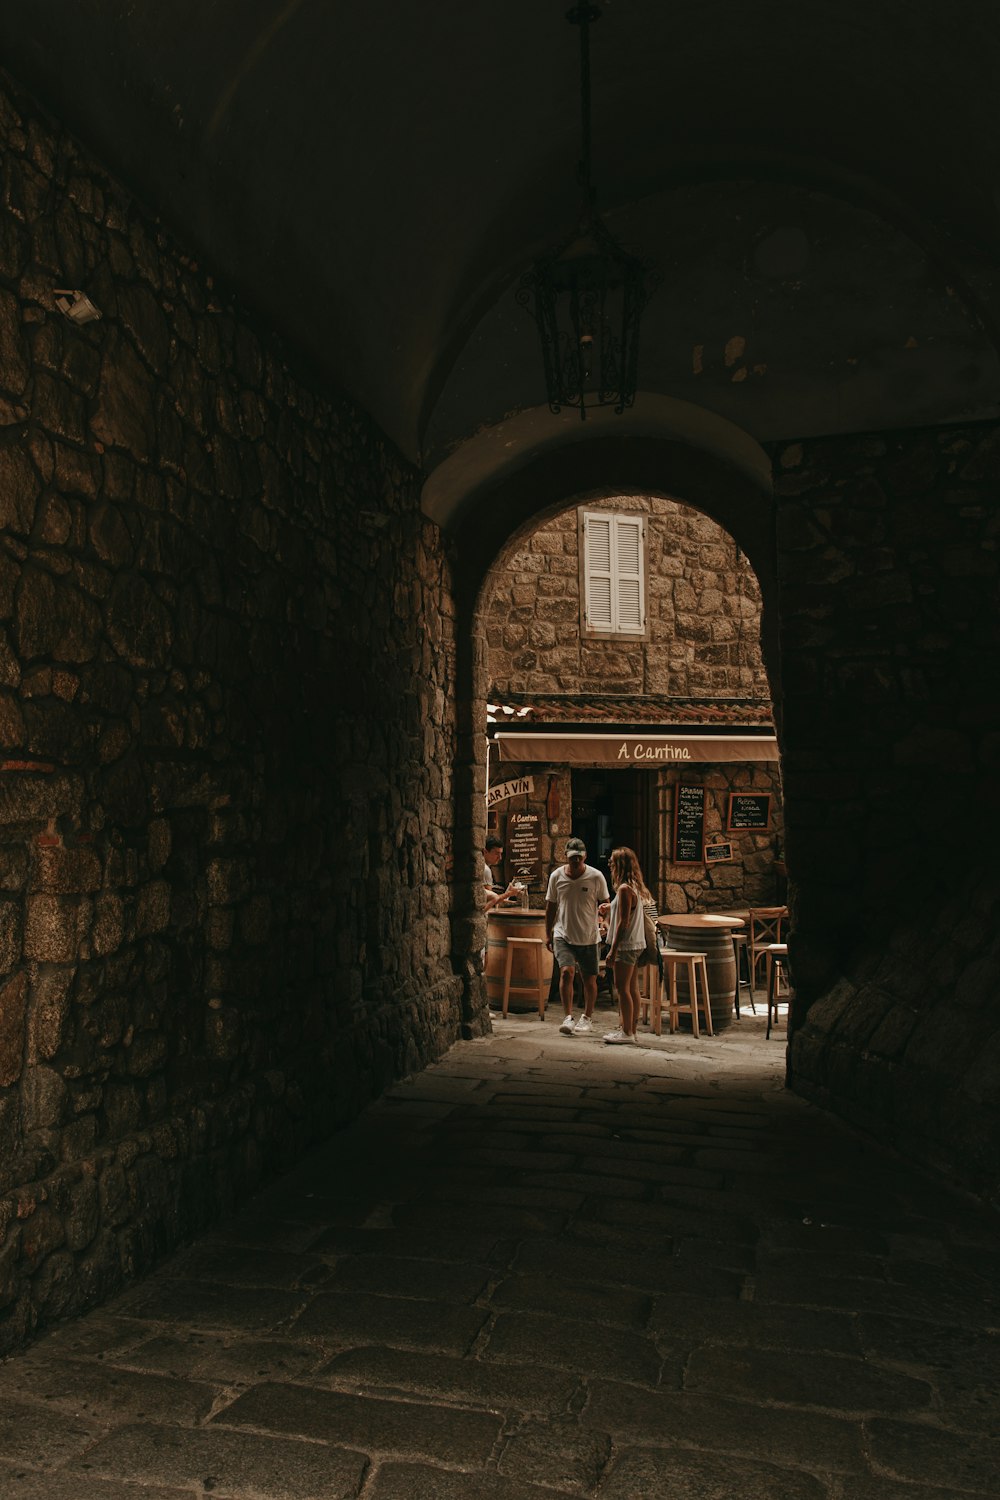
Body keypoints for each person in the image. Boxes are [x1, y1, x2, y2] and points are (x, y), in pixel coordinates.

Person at [545, 836, 609, 1035]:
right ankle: (568, 1016)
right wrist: (548, 933)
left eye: (579, 858)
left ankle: (587, 1017)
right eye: (572, 858)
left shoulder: (596, 876)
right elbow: (551, 906)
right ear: (565, 856)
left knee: (589, 979)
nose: (576, 862)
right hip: (563, 933)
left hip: (588, 936)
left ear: (585, 857)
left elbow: (605, 903)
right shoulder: (556, 876)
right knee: (566, 972)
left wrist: (605, 923)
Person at [601, 846, 654, 1044]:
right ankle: (631, 1030)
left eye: (612, 862)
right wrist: (610, 907)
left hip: (626, 945)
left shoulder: (623, 889)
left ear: (620, 865)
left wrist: (613, 951)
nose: (609, 865)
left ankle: (626, 1033)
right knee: (632, 988)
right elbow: (627, 911)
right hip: (636, 943)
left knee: (622, 989)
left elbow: (624, 922)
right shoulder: (633, 887)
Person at [483, 835, 517, 911]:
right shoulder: (486, 870)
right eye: (496, 853)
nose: (500, 857)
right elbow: (488, 901)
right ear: (485, 852)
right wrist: (509, 894)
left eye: (501, 854)